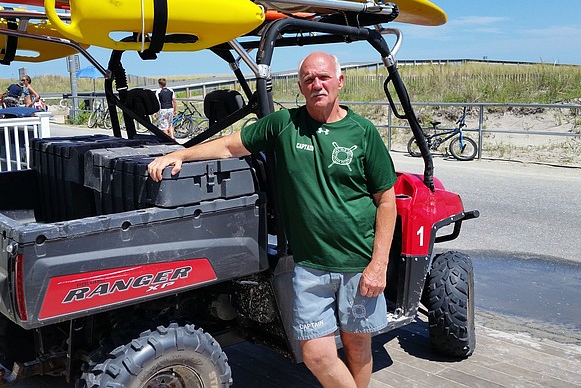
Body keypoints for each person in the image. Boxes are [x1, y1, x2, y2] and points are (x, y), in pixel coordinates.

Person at [148, 52, 396, 388]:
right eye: (309, 79)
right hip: (310, 266)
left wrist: (379, 263)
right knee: (317, 355)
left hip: (358, 263)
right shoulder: (284, 124)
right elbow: (228, 147)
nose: (316, 84)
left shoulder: (363, 132)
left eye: (323, 77)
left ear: (340, 81)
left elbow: (386, 201)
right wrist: (180, 153)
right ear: (300, 86)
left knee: (357, 344)